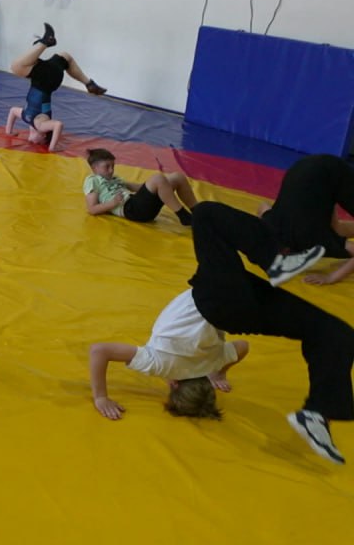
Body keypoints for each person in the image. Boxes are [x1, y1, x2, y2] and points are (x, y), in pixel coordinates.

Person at [90, 201, 354, 466]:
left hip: (244, 313)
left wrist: (219, 372)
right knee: (205, 214)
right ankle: (275, 258)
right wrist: (101, 396)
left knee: (330, 330)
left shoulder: (211, 362)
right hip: (215, 298)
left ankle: (322, 410)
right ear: (173, 384)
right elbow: (99, 351)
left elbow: (242, 347)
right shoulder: (158, 364)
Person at [5, 23, 106, 152]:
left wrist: (9, 131)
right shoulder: (40, 125)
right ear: (43, 136)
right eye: (38, 142)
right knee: (16, 66)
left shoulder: (26, 117)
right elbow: (58, 125)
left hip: (43, 79)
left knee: (65, 57)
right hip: (47, 81)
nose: (31, 141)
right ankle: (44, 42)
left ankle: (89, 83)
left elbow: (13, 111)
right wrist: (52, 147)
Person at [258, 154, 354, 287]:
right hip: (303, 168)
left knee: (333, 230)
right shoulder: (272, 224)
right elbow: (263, 206)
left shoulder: (313, 240)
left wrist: (330, 277)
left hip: (331, 172)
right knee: (335, 229)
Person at [83, 148, 198, 226]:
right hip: (130, 209)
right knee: (158, 178)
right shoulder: (92, 180)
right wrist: (112, 203)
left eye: (113, 166)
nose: (111, 170)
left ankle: (198, 211)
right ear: (94, 168)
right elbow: (92, 209)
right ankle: (183, 216)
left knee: (177, 177)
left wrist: (153, 186)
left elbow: (138, 188)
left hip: (138, 205)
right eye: (107, 167)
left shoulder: (115, 179)